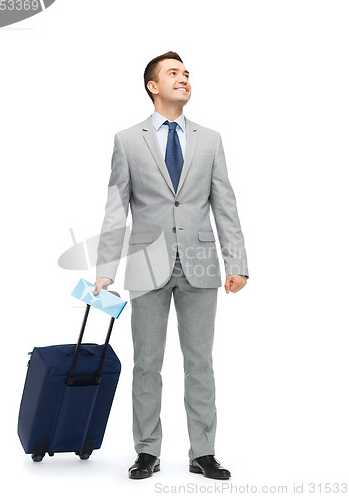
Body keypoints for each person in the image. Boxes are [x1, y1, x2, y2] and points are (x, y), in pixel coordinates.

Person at [94, 51, 249, 480]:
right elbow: (115, 209)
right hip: (146, 265)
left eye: (186, 73)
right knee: (147, 363)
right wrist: (105, 269)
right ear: (153, 86)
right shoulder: (128, 139)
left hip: (201, 264)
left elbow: (226, 206)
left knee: (200, 362)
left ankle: (203, 452)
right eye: (173, 73)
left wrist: (237, 262)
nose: (183, 78)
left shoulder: (211, 139)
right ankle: (147, 450)